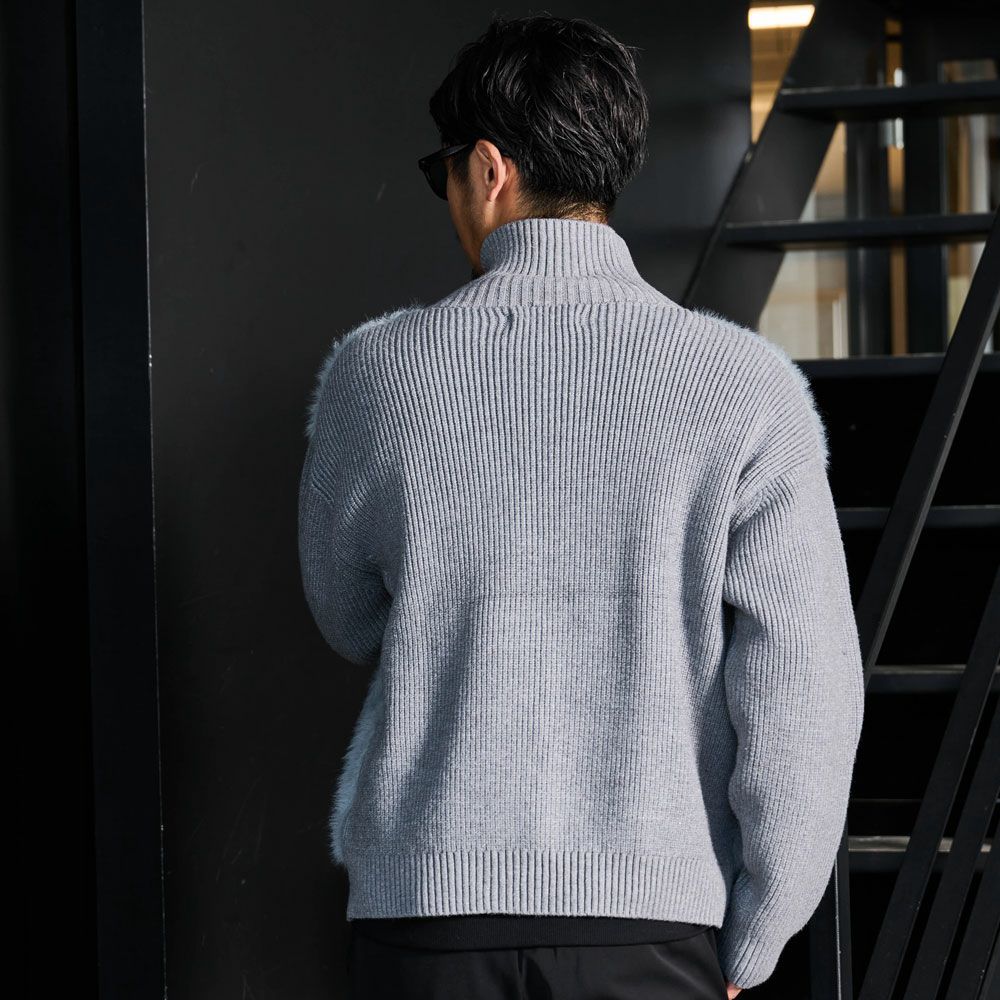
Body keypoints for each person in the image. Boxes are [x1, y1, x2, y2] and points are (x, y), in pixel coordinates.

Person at [297, 12, 865, 1000]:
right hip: (654, 925)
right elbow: (803, 687)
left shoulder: (375, 374)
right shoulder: (745, 387)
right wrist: (759, 928)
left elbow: (346, 615)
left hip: (428, 920)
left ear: (487, 169)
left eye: (443, 174)